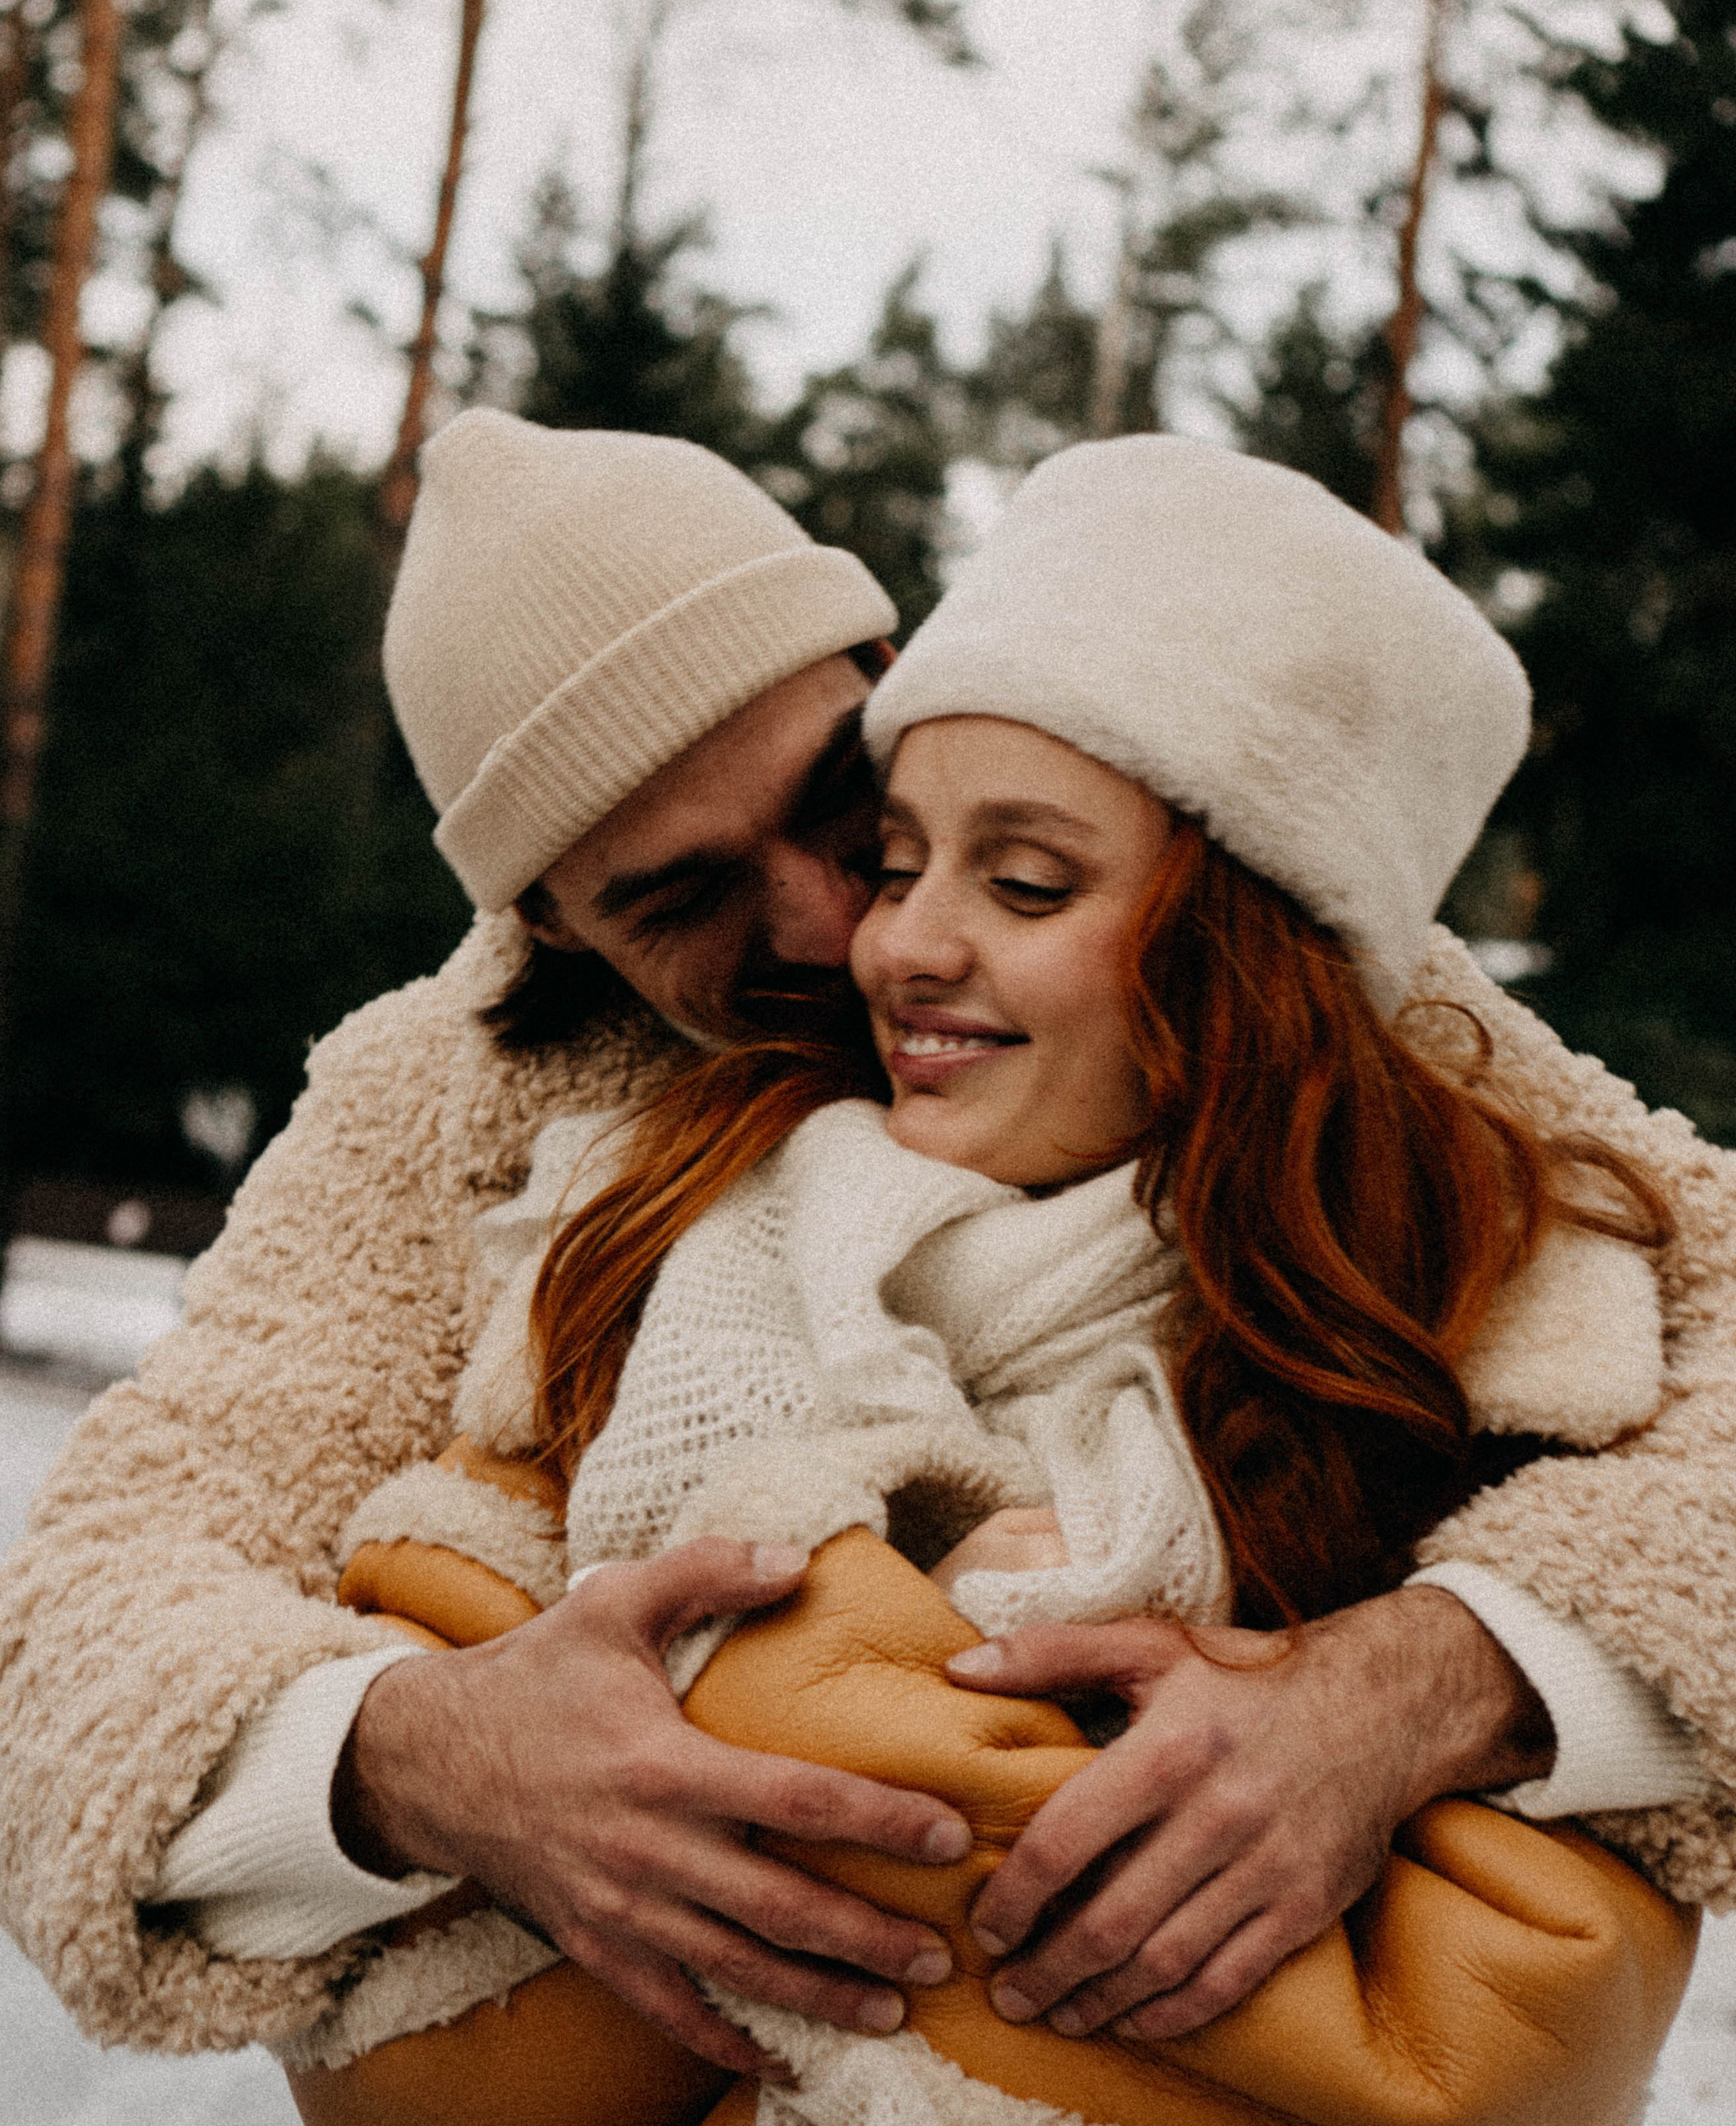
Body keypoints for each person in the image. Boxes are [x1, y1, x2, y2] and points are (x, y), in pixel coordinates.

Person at [1, 418, 1731, 2088]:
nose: (851, 933)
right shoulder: (436, 1105)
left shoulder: (1296, 957)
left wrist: (1424, 1682)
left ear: (890, 669)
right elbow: (77, 1640)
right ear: (543, 920)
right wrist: (418, 1760)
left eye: (849, 811)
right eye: (679, 899)